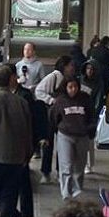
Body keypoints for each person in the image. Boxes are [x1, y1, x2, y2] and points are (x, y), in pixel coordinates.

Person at [0, 64, 34, 217]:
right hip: (16, 155)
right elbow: (28, 130)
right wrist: (28, 152)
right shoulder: (21, 102)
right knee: (9, 193)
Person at [49, 75, 96, 200]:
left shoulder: (85, 99)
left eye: (75, 86)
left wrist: (90, 129)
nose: (73, 89)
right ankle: (66, 192)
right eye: (70, 87)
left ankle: (77, 189)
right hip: (65, 135)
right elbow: (53, 117)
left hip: (82, 135)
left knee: (80, 165)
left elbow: (91, 115)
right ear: (65, 87)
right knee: (66, 165)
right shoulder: (60, 101)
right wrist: (56, 129)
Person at [34, 56, 75, 184]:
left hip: (62, 115)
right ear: (64, 66)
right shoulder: (54, 77)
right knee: (49, 143)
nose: (72, 68)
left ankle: (60, 171)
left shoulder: (69, 79)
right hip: (51, 115)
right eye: (70, 65)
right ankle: (46, 172)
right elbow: (39, 91)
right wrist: (52, 100)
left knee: (62, 144)